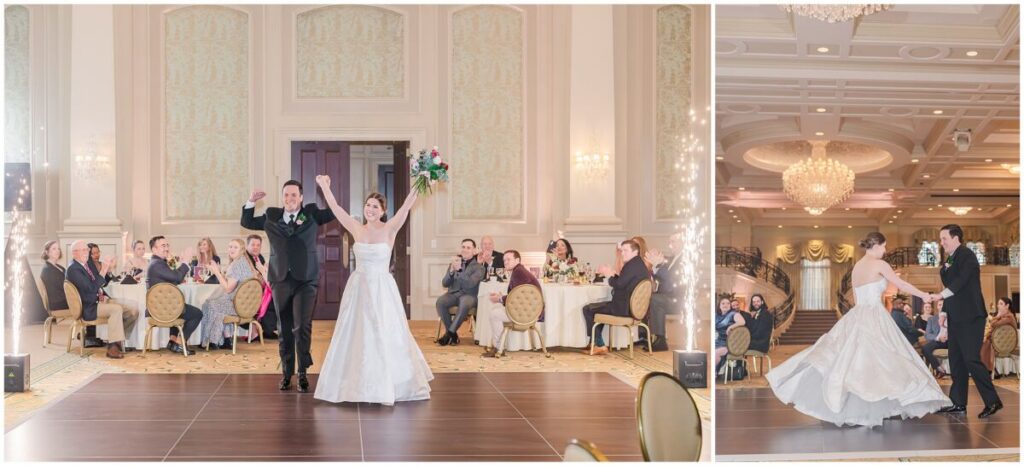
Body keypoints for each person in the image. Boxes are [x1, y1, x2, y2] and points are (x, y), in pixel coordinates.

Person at [766, 232, 950, 427]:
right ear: (877, 245)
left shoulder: (856, 268)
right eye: (884, 246)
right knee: (884, 360)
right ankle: (879, 403)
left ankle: (870, 405)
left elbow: (855, 296)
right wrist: (923, 295)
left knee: (857, 361)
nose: (886, 251)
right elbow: (901, 284)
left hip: (858, 315)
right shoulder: (880, 264)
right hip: (875, 315)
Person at [312, 176, 432, 405]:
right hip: (359, 287)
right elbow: (336, 208)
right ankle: (356, 383)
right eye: (368, 205)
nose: (370, 209)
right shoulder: (356, 227)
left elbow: (408, 204)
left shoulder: (391, 228)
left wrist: (422, 179)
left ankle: (388, 383)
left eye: (375, 206)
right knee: (357, 334)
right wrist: (325, 187)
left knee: (384, 333)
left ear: (383, 211)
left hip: (382, 289)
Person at [241, 180, 338, 392]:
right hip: (280, 279)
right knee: (284, 329)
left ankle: (303, 372)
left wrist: (327, 190)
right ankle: (287, 373)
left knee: (301, 327)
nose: (290, 199)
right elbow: (246, 221)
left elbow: (333, 213)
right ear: (282, 197)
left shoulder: (311, 214)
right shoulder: (272, 216)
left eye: (294, 195)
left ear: (301, 197)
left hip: (306, 280)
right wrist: (251, 200)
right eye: (286, 195)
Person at [928, 224, 1003, 418]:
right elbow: (951, 285)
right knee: (957, 360)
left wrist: (940, 295)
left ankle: (993, 401)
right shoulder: (950, 259)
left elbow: (961, 281)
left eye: (944, 238)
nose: (942, 242)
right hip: (956, 317)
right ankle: (958, 403)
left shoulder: (967, 255)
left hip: (971, 316)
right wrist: (944, 312)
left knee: (971, 359)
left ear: (955, 238)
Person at [65, 240, 139, 358]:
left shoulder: (87, 265)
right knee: (116, 309)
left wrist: (108, 270)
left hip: (100, 300)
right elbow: (91, 288)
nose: (86, 253)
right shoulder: (73, 269)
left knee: (133, 307)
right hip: (89, 306)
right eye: (83, 250)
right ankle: (112, 347)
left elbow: (102, 283)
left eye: (86, 250)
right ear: (74, 253)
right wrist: (104, 270)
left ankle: (118, 340)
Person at [582, 240, 650, 355]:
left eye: (625, 250)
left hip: (623, 308)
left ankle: (599, 344)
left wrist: (609, 275)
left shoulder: (631, 265)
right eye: (621, 250)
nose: (622, 253)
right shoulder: (638, 264)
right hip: (632, 308)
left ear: (635, 251)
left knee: (588, 309)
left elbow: (619, 285)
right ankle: (595, 342)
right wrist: (614, 274)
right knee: (597, 309)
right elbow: (625, 282)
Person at [146, 236, 202, 354]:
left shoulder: (158, 263)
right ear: (154, 250)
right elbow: (177, 277)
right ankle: (180, 343)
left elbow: (175, 279)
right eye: (163, 246)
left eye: (167, 245)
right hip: (162, 310)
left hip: (162, 307)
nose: (166, 248)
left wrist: (180, 265)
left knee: (178, 306)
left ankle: (172, 342)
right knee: (197, 313)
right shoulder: (157, 264)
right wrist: (186, 262)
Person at [482, 249, 543, 358]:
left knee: (494, 314)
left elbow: (517, 298)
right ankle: (498, 346)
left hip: (524, 313)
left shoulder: (518, 272)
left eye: (508, 259)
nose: (505, 262)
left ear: (517, 260)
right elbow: (518, 295)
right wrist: (501, 297)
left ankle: (498, 348)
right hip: (528, 311)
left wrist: (500, 299)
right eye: (504, 260)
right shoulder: (519, 270)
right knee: (495, 310)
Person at [200, 239, 256, 350]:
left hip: (238, 307)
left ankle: (211, 341)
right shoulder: (244, 262)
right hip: (247, 306)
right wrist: (219, 272)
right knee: (219, 302)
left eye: (235, 247)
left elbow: (228, 289)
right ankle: (226, 339)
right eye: (230, 246)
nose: (231, 249)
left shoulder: (236, 265)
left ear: (242, 249)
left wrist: (216, 272)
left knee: (209, 304)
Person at [435, 239, 485, 345]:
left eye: (468, 248)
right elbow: (445, 283)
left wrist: (460, 271)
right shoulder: (455, 263)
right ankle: (453, 336)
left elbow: (470, 284)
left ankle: (448, 334)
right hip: (453, 294)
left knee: (464, 303)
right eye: (463, 247)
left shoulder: (479, 268)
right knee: (440, 302)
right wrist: (452, 271)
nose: (465, 250)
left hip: (469, 295)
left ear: (474, 250)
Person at [646, 233, 683, 351]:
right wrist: (656, 266)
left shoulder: (685, 260)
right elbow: (663, 280)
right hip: (669, 297)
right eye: (669, 242)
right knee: (652, 299)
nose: (670, 244)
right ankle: (654, 337)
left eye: (673, 241)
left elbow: (671, 283)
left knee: (655, 299)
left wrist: (659, 265)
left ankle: (660, 339)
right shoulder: (672, 259)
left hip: (680, 301)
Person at [245, 234, 279, 340]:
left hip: (259, 289)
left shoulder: (259, 257)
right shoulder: (244, 258)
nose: (255, 247)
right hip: (248, 292)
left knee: (278, 296)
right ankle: (267, 330)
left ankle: (268, 329)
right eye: (253, 244)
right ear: (247, 246)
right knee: (273, 298)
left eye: (258, 245)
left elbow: (264, 276)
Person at [980, 297, 1017, 374]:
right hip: (1000, 343)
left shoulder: (1008, 317)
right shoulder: (1007, 316)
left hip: (1003, 345)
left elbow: (993, 324)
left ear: (1007, 306)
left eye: (1001, 304)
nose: (998, 305)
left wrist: (998, 315)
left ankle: (986, 369)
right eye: (998, 303)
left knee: (985, 342)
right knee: (985, 341)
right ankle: (990, 369)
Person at [715, 297, 745, 373]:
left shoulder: (733, 314)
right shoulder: (716, 316)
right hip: (719, 340)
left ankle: (714, 373)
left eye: (728, 303)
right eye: (723, 303)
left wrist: (731, 326)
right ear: (719, 305)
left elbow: (742, 322)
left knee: (715, 353)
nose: (726, 305)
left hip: (729, 343)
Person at [921, 301, 949, 378]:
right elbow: (927, 335)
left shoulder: (953, 318)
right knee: (925, 348)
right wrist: (938, 338)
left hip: (951, 341)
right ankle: (938, 368)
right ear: (937, 307)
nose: (942, 306)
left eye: (944, 305)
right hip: (938, 341)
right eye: (940, 305)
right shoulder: (932, 319)